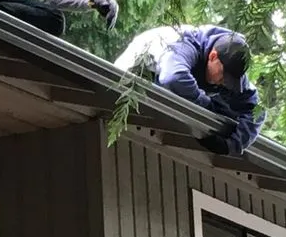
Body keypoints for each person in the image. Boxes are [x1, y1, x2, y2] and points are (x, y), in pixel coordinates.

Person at [113, 24, 266, 156]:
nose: (224, 82)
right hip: (133, 76)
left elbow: (256, 111)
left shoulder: (233, 70)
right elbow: (172, 77)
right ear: (213, 56)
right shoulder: (185, 43)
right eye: (223, 75)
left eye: (230, 79)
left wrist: (230, 146)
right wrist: (206, 104)